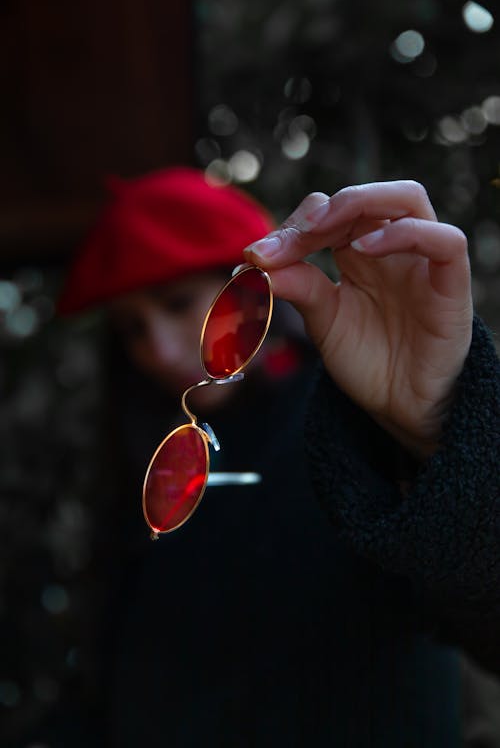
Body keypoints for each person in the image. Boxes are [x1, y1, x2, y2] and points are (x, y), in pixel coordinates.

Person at [22, 170, 500, 746]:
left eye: (178, 303)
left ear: (254, 287)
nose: (160, 350)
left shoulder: (358, 419)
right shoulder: (151, 463)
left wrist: (436, 431)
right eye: (131, 329)